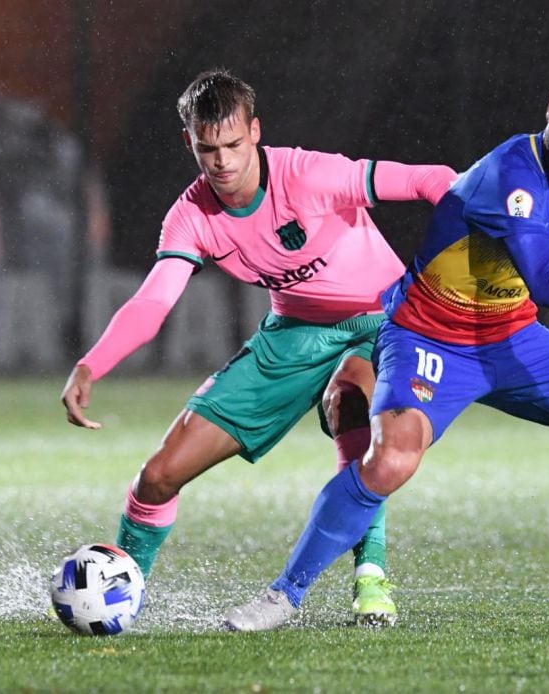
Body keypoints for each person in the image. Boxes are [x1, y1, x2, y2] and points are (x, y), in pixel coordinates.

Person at [224, 59, 549, 631]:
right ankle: (284, 595)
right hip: (428, 337)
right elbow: (548, 281)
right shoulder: (514, 172)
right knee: (390, 460)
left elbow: (525, 284)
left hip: (513, 340)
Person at [60, 69, 456, 626]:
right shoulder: (191, 216)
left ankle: (372, 579)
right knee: (158, 475)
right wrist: (90, 364)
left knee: (350, 402)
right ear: (189, 143)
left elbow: (433, 180)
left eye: (233, 145)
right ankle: (123, 592)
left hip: (382, 322)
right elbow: (153, 302)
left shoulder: (311, 174)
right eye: (207, 149)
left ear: (255, 131)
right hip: (291, 336)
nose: (222, 162)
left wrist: (473, 241)